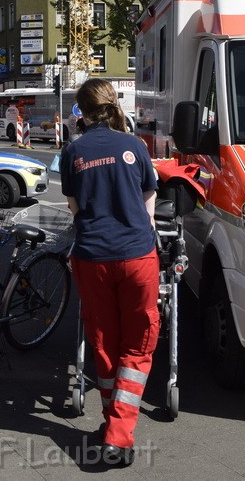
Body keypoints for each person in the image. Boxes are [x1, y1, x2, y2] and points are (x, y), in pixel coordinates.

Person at [59, 78, 159, 468]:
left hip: (93, 257)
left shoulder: (74, 151)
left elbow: (74, 207)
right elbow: (150, 196)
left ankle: (111, 425)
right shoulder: (135, 146)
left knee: (103, 344)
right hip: (137, 256)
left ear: (80, 111)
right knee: (138, 345)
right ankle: (119, 436)